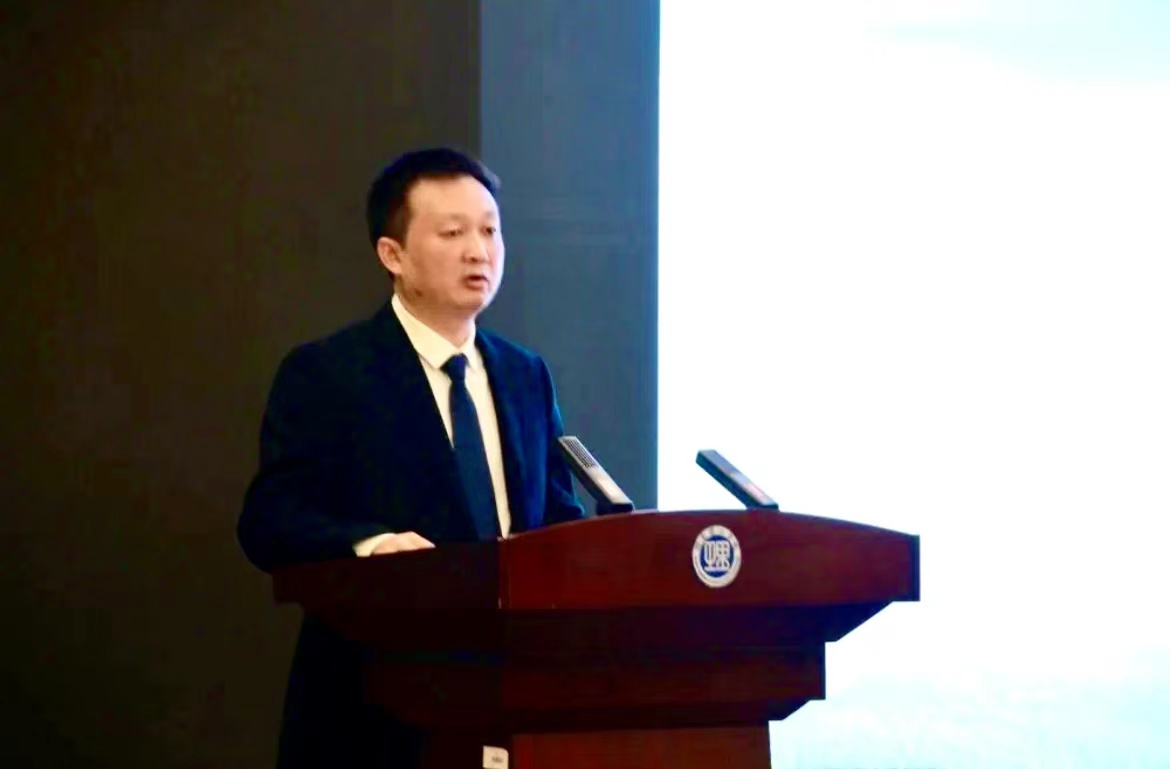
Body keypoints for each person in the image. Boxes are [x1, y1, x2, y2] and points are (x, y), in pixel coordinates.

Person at [237, 147, 586, 768]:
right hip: (374, 712)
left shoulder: (524, 374)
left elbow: (555, 518)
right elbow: (270, 519)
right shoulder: (330, 373)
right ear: (392, 255)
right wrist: (372, 546)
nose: (479, 251)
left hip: (515, 704)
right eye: (453, 233)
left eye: (489, 231)